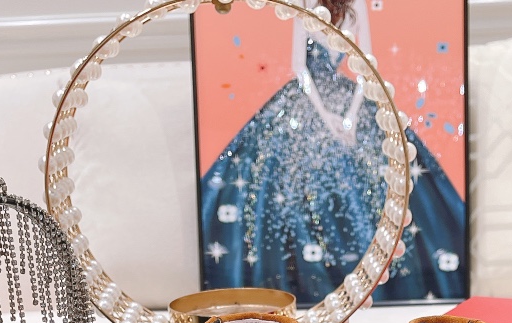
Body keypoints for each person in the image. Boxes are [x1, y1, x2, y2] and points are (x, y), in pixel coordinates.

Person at [200, 0, 467, 304]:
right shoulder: (303, 3)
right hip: (308, 101)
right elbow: (299, 67)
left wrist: (351, 117)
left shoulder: (356, 5)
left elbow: (367, 66)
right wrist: (326, 117)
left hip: (350, 100)